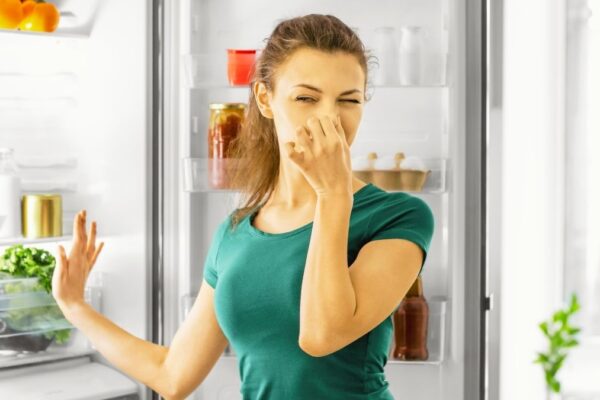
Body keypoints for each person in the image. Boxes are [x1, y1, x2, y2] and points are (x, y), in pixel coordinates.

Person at [52, 14, 435, 400]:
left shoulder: (397, 217)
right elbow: (173, 376)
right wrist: (75, 307)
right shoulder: (236, 232)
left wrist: (333, 196)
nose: (328, 117)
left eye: (349, 100)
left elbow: (322, 335)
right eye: (306, 97)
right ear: (265, 99)